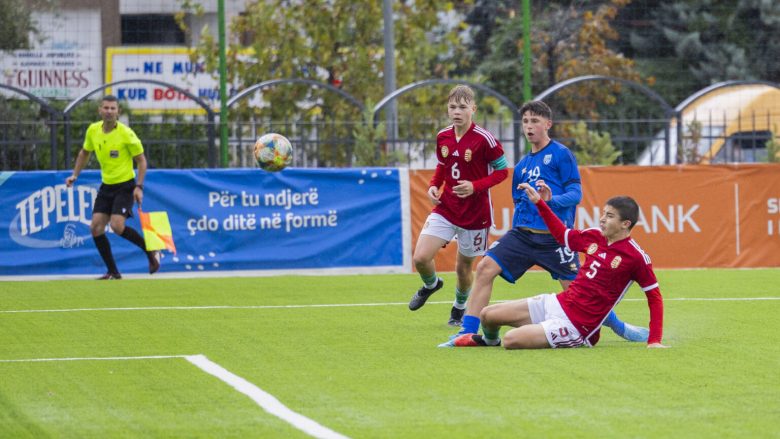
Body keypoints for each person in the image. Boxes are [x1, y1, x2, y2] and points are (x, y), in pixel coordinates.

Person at [441, 100, 647, 345]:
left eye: (535, 121)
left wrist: (551, 201)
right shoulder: (522, 165)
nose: (529, 126)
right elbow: (519, 202)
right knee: (485, 268)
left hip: (555, 241)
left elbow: (576, 194)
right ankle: (467, 330)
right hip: (523, 237)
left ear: (547, 124)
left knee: (579, 293)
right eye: (526, 121)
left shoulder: (561, 154)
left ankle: (619, 326)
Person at [451, 184, 668, 349]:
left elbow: (654, 297)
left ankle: (545, 335)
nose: (602, 219)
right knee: (487, 315)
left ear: (625, 224)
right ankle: (489, 341)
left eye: (609, 216)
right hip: (557, 303)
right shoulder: (594, 236)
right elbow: (561, 234)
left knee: (511, 340)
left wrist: (655, 340)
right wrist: (540, 203)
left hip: (579, 326)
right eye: (603, 214)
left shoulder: (636, 257)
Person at [408, 85, 509, 325]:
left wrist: (475, 186)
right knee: (421, 257)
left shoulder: (485, 140)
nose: (457, 111)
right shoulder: (443, 136)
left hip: (476, 215)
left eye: (462, 107)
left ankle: (459, 307)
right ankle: (431, 284)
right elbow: (443, 166)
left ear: (473, 109)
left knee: (463, 268)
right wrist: (434, 185)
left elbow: (503, 171)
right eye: (453, 106)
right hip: (447, 208)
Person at [65, 95, 160, 279]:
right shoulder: (93, 130)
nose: (109, 112)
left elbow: (141, 161)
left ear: (118, 112)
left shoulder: (127, 134)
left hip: (125, 185)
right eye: (106, 108)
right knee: (96, 228)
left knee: (117, 225)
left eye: (113, 109)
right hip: (106, 186)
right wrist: (75, 175)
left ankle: (151, 250)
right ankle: (113, 271)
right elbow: (84, 152)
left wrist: (139, 186)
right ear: (99, 110)